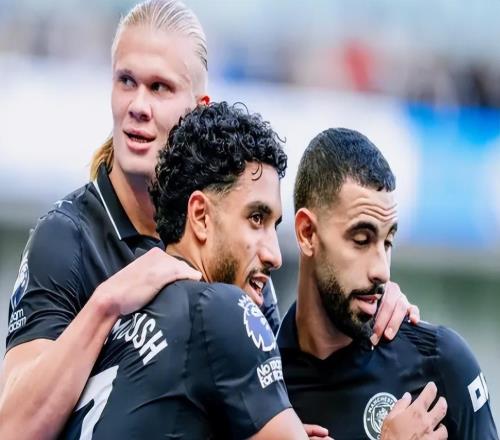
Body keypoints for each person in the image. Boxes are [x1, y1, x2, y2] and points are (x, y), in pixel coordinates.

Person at [0, 1, 417, 439]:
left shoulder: (238, 265)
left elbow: (264, 406)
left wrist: (362, 296)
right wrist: (107, 304)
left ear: (198, 107)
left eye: (159, 87)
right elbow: (12, 429)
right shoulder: (68, 238)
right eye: (126, 81)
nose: (138, 105)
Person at [60, 101, 308, 439]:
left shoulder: (123, 321)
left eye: (273, 226)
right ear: (201, 216)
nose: (275, 255)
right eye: (256, 219)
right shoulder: (222, 309)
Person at [277, 127, 499, 439]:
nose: (382, 270)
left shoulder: (441, 362)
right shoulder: (263, 383)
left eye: (387, 242)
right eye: (361, 240)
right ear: (307, 233)